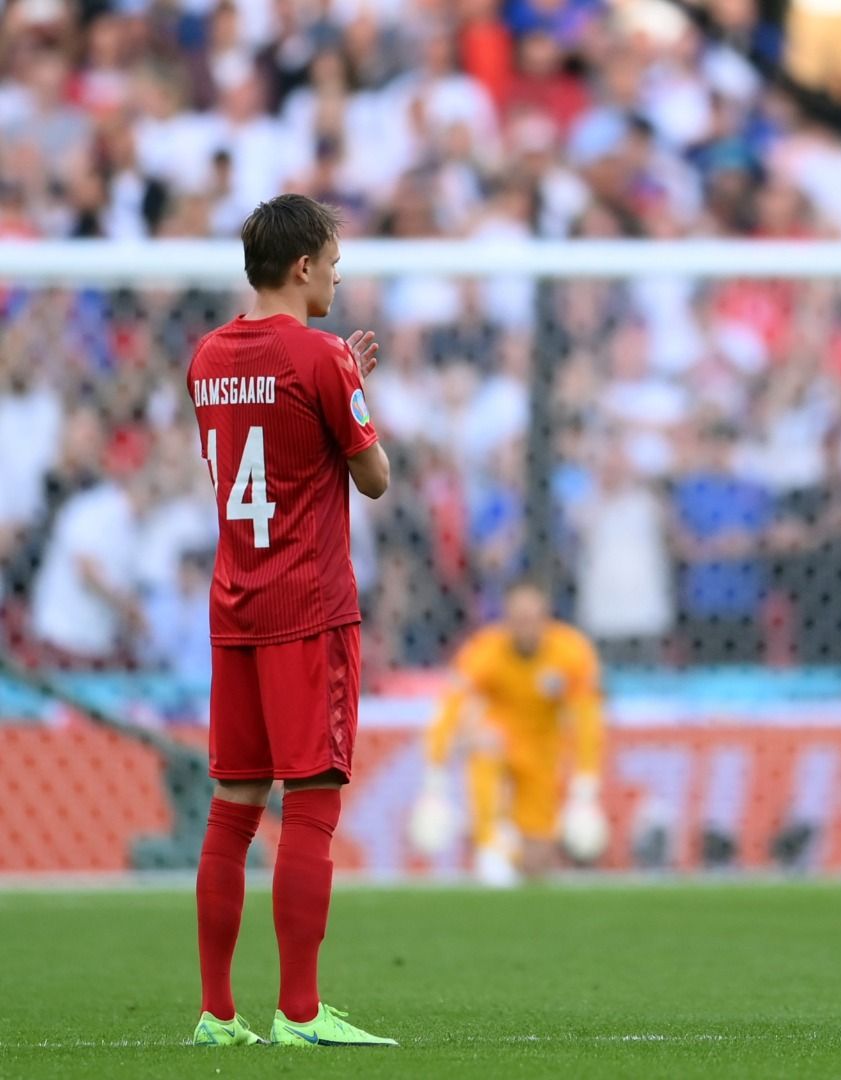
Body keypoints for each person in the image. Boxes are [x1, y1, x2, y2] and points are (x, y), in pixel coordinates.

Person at [187, 194, 395, 1048]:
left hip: (235, 601)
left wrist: (333, 375)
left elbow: (265, 434)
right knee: (311, 802)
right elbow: (373, 477)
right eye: (335, 262)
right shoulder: (320, 360)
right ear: (303, 265)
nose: (340, 275)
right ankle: (302, 1013)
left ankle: (216, 1013)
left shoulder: (206, 357)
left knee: (233, 805)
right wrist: (346, 382)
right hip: (309, 606)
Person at [410, 580, 608, 887]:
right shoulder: (484, 651)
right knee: (485, 743)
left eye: (532, 619)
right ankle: (489, 837)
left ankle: (503, 844)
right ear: (506, 620)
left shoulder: (571, 653)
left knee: (535, 864)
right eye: (518, 619)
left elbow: (587, 722)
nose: (525, 627)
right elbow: (449, 711)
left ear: (547, 619)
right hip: (497, 742)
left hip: (543, 752)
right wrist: (434, 784)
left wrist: (585, 791)